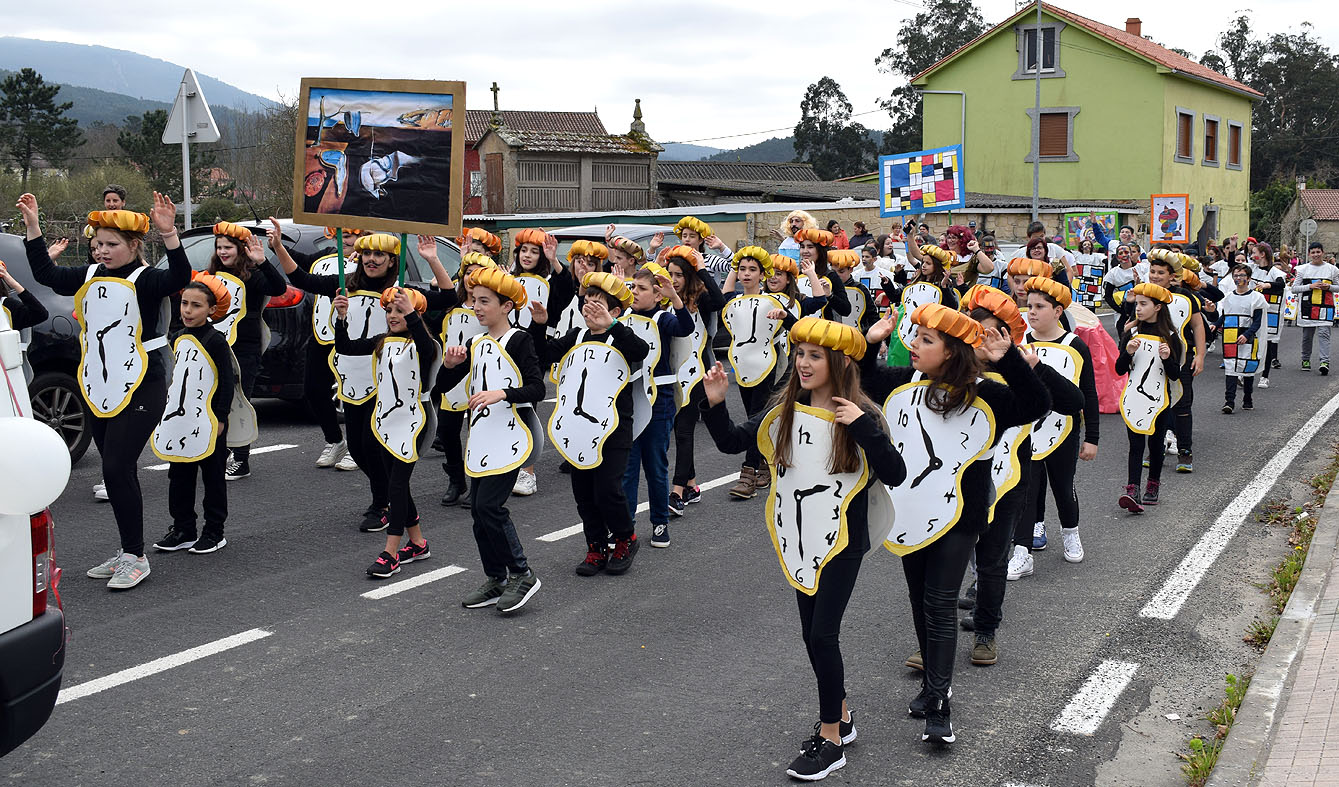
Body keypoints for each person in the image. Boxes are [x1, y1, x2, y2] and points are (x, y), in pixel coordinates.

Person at [701, 317, 905, 780]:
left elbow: (895, 473)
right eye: (801, 354)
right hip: (798, 539)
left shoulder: (863, 414)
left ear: (838, 362)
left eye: (816, 355)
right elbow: (734, 441)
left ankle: (831, 739)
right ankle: (844, 715)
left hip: (842, 543)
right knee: (811, 631)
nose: (804, 363)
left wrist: (862, 428)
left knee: (821, 635)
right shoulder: (785, 410)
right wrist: (714, 404)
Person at [862, 303, 1049, 745]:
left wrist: (1011, 360)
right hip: (908, 509)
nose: (914, 345)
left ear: (950, 352)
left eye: (926, 341)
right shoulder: (905, 383)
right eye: (916, 337)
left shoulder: (988, 394)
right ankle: (931, 690)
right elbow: (865, 383)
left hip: (960, 513)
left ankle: (941, 701)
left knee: (941, 602)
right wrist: (871, 347)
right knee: (918, 597)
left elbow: (1036, 404)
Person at [19, 190, 190, 590]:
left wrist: (169, 235)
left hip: (143, 385)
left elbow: (180, 278)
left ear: (134, 246)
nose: (102, 251)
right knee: (115, 474)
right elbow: (46, 274)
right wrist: (32, 227)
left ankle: (136, 557)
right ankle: (128, 549)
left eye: (112, 244)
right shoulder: (90, 274)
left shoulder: (147, 279)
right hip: (97, 384)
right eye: (97, 244)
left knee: (115, 466)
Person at [275, 229, 453, 531]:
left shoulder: (402, 292)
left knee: (374, 446)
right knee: (357, 448)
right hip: (351, 381)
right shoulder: (344, 284)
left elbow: (449, 297)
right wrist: (278, 247)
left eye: (379, 255)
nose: (371, 260)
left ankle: (382, 503)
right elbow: (302, 280)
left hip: (386, 384)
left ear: (391, 259)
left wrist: (433, 260)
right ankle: (389, 498)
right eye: (367, 254)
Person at [529, 272, 649, 576]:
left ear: (616, 312)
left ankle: (625, 538)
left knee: (608, 489)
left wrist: (611, 325)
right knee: (583, 494)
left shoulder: (621, 337)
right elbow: (541, 357)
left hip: (614, 428)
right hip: (577, 428)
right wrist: (540, 324)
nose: (589, 309)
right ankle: (595, 546)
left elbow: (640, 352)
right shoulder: (577, 336)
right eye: (587, 303)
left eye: (598, 305)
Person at [440, 267, 545, 612]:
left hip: (513, 434)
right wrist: (451, 366)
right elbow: (442, 387)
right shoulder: (475, 343)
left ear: (506, 306)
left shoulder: (519, 340)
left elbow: (537, 387)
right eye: (474, 301)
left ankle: (522, 573)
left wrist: (503, 393)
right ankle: (496, 579)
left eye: (485, 301)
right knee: (478, 513)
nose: (477, 308)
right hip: (482, 437)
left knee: (489, 507)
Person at [334, 286, 439, 578]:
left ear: (415, 314)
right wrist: (341, 319)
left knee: (396, 486)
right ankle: (418, 543)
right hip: (384, 422)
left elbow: (428, 350)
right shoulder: (383, 342)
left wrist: (412, 317)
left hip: (413, 422)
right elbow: (346, 347)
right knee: (398, 483)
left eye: (399, 310)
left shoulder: (422, 344)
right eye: (389, 310)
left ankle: (390, 553)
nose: (392, 316)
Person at [150, 276, 236, 555]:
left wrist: (221, 417)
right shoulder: (177, 338)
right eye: (185, 303)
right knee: (179, 476)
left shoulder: (216, 341)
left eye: (196, 305)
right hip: (179, 420)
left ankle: (214, 531)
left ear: (212, 310)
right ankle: (183, 528)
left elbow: (226, 381)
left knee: (212, 478)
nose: (187, 310)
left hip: (208, 420)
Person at [1022, 277, 1098, 565]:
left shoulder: (1075, 345)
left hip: (1064, 430)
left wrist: (1092, 437)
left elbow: (1088, 394)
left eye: (1040, 306)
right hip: (1028, 431)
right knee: (1029, 487)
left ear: (1057, 311)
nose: (1032, 312)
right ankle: (1029, 536)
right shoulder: (1021, 343)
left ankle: (1070, 531)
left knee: (1063, 487)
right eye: (1029, 306)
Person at [205, 222, 287, 480]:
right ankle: (217, 452)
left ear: (240, 250)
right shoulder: (212, 274)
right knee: (214, 399)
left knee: (238, 398)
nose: (222, 252)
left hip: (245, 346)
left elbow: (279, 288)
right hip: (216, 344)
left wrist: (262, 261)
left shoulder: (252, 275)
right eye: (219, 247)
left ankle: (241, 459)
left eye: (227, 247)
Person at [621, 263, 694, 546]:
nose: (635, 293)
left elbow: (685, 328)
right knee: (628, 466)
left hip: (658, 401)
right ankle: (625, 526)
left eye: (641, 289)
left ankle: (660, 522)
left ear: (657, 294)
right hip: (630, 399)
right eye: (633, 288)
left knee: (655, 465)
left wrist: (674, 297)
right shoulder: (625, 316)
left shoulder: (663, 318)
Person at [509, 228, 574, 496]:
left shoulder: (550, 281)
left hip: (534, 350)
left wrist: (555, 260)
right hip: (504, 347)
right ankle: (506, 463)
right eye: (524, 250)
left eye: (534, 251)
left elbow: (567, 294)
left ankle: (528, 471)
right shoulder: (507, 278)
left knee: (526, 409)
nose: (528, 255)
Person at [665, 246, 727, 516]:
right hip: (670, 373)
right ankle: (691, 485)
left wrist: (701, 267)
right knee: (679, 428)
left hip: (696, 373)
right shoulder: (663, 298)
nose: (674, 279)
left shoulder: (700, 298)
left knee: (684, 430)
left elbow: (719, 300)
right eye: (670, 274)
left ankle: (677, 491)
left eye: (679, 275)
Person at [720, 247, 785, 500]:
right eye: (742, 269)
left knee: (756, 417)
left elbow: (789, 325)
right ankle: (766, 462)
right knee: (753, 416)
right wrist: (732, 271)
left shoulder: (773, 301)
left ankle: (748, 473)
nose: (746, 274)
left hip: (766, 365)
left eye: (752, 270)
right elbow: (723, 297)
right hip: (742, 366)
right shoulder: (734, 301)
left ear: (762, 274)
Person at [1116, 283, 1182, 513]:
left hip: (1159, 399)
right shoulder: (1132, 333)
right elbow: (1119, 369)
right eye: (1137, 304)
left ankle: (1153, 484)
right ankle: (1132, 487)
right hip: (1134, 396)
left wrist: (1166, 357)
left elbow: (1175, 374)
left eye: (1144, 304)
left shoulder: (1171, 336)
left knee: (1155, 444)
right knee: (1135, 445)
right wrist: (1128, 352)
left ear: (1157, 307)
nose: (1138, 308)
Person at [1142, 251, 1205, 473]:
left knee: (1181, 405)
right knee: (1154, 404)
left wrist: (1200, 356)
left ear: (1172, 276)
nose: (1155, 276)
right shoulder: (1146, 294)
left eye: (1161, 272)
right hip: (1152, 360)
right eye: (1152, 271)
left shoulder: (1186, 297)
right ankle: (1155, 448)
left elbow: (1198, 326)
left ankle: (1185, 452)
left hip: (1181, 359)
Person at [1219, 263, 1266, 413]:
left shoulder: (1257, 298)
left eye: (1242, 275)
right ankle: (1229, 401)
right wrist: (1215, 325)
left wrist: (1247, 335)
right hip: (1230, 337)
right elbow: (1224, 316)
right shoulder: (1228, 297)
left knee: (1247, 368)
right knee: (1230, 367)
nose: (1238, 278)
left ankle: (1247, 397)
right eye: (1236, 275)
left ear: (1249, 278)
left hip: (1248, 338)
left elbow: (1257, 321)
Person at [1292, 242, 1338, 375]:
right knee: (1307, 336)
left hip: (1325, 307)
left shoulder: (1332, 269)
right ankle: (1305, 359)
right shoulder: (1302, 269)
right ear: (1309, 254)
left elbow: (1338, 286)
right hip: (1308, 308)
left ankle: (1325, 362)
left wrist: (1328, 287)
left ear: (1323, 253)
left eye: (1318, 252)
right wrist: (1310, 287)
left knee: (1324, 334)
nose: (1316, 255)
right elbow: (1294, 288)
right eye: (1313, 252)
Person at [650, 216, 733, 280]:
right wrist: (652, 249)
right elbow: (650, 274)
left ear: (700, 240)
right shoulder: (673, 258)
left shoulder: (709, 260)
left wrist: (722, 247)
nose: (687, 239)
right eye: (684, 236)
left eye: (692, 236)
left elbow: (733, 267)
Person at [1249, 243, 1285, 387]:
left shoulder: (1274, 271)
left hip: (1270, 311)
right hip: (1254, 310)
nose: (1252, 256)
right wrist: (1232, 248)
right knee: (1251, 341)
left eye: (1254, 253)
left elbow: (1281, 284)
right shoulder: (1252, 269)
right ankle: (1246, 372)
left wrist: (1266, 285)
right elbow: (1234, 266)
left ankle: (1264, 376)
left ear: (1262, 254)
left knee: (1268, 342)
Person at [795, 228, 852, 321]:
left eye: (810, 247)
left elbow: (846, 310)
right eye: (802, 247)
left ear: (820, 250)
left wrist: (830, 296)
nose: (805, 251)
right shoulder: (796, 275)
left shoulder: (831, 276)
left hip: (824, 331)